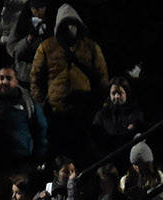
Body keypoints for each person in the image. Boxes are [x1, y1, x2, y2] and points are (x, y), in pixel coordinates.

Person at [30, 4, 108, 159]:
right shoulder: (47, 47)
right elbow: (36, 77)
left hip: (83, 111)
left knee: (82, 153)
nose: (69, 29)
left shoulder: (90, 47)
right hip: (56, 112)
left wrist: (98, 103)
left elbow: (102, 77)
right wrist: (41, 102)